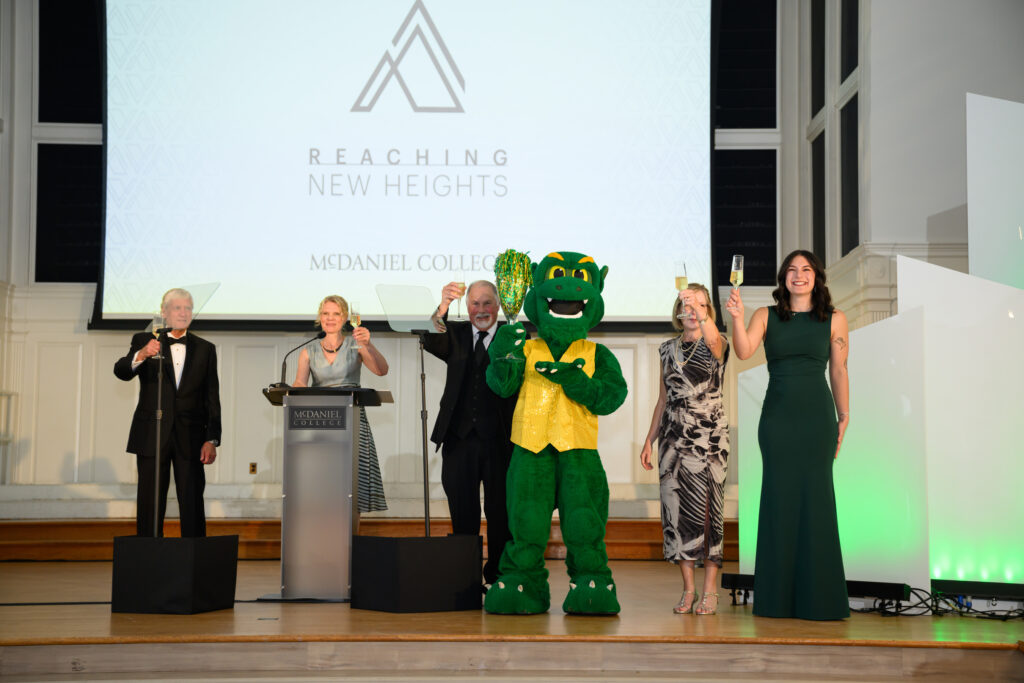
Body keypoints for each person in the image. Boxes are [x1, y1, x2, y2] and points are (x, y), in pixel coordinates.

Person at [726, 249, 851, 620]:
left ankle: (821, 600)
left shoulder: (835, 318)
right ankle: (776, 599)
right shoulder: (765, 315)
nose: (799, 275)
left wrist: (844, 415)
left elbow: (839, 371)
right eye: (792, 270)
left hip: (817, 419)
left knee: (817, 501)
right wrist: (737, 318)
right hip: (778, 421)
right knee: (778, 501)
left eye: (806, 269)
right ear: (783, 278)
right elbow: (744, 351)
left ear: (816, 276)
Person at [641, 283, 729, 616]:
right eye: (688, 306)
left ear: (708, 311)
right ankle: (689, 589)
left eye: (700, 306)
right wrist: (649, 439)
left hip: (709, 440)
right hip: (673, 440)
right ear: (678, 311)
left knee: (708, 515)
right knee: (677, 515)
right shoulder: (667, 349)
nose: (692, 312)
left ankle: (710, 591)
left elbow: (714, 343)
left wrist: (702, 313)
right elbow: (663, 399)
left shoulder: (718, 342)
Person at [423, 280, 516, 587]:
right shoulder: (456, 334)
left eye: (487, 303)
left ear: (498, 306)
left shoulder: (513, 336)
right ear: (467, 307)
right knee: (462, 511)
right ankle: (465, 578)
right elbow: (430, 339)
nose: (481, 310)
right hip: (458, 440)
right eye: (475, 303)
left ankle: (499, 577)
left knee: (500, 512)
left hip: (501, 441)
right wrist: (443, 305)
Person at [113, 288, 221, 537]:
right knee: (149, 503)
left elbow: (212, 397)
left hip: (191, 437)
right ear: (164, 312)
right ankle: (148, 557)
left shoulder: (205, 348)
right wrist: (142, 354)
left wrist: (212, 438)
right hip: (151, 433)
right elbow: (121, 371)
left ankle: (194, 557)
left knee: (192, 502)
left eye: (188, 308)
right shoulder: (144, 339)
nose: (184, 313)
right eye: (177, 308)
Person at [292, 295, 389, 514]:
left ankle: (351, 533)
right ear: (320, 317)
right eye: (326, 313)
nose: (330, 318)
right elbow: (300, 383)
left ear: (345, 318)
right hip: (321, 421)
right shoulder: (308, 351)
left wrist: (368, 345)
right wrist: (293, 391)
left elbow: (382, 370)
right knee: (325, 482)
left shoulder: (356, 345)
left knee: (353, 483)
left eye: (336, 314)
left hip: (352, 419)